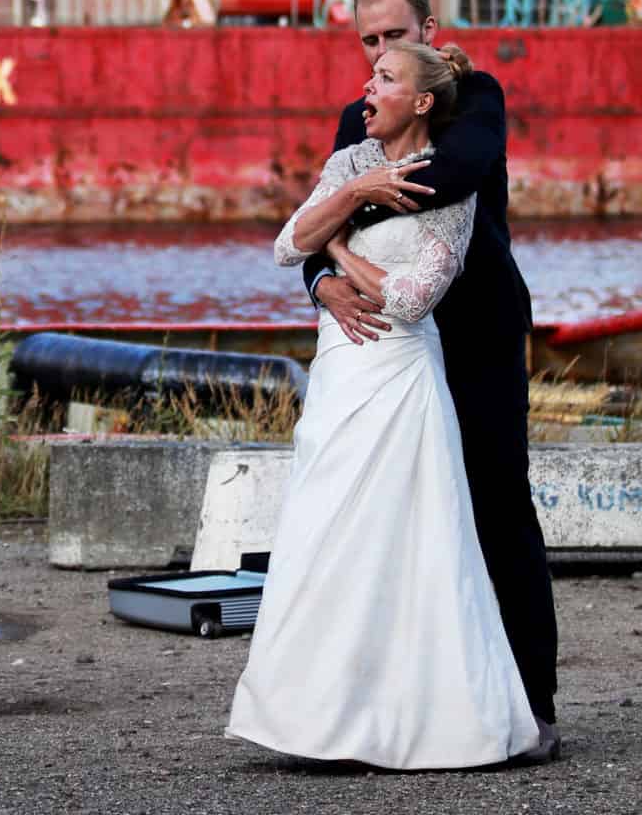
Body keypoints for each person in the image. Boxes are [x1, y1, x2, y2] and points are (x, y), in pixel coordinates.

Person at [228, 41, 537, 768]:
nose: (367, 86)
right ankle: (312, 720)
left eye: (385, 77)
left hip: (400, 381)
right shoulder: (349, 164)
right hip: (339, 378)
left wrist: (337, 255)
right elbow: (285, 243)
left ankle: (424, 722)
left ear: (423, 101)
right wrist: (351, 202)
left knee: (411, 546)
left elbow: (409, 298)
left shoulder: (448, 189)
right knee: (324, 535)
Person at [302, 0, 559, 757]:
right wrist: (322, 280)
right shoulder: (361, 114)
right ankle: (382, 714)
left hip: (474, 335)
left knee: (495, 507)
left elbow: (453, 175)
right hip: (390, 349)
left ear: (429, 30)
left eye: (392, 38)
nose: (379, 56)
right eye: (368, 44)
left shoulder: (477, 99)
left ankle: (532, 707)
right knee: (384, 525)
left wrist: (359, 194)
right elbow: (305, 227)